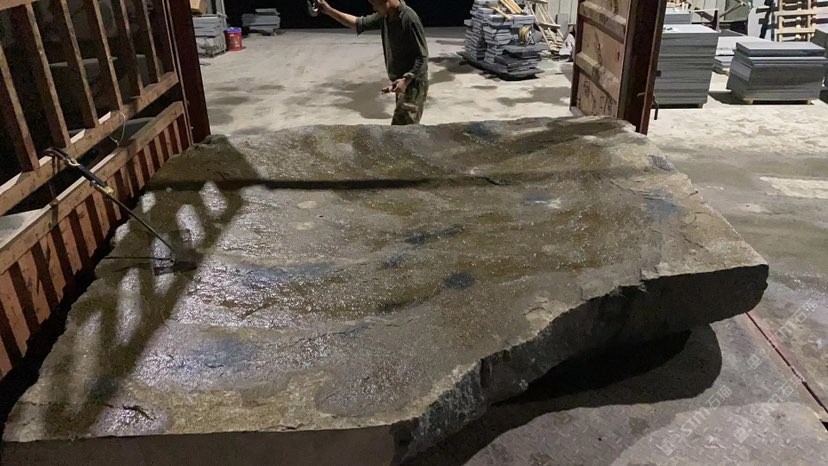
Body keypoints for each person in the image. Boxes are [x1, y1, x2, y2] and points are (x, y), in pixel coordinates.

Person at [317, 0, 429, 125]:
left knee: (403, 132)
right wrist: (329, 11)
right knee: (402, 130)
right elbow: (358, 23)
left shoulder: (409, 18)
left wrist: (406, 80)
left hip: (413, 85)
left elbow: (422, 56)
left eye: (375, 4)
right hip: (403, 83)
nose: (374, 9)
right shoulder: (386, 15)